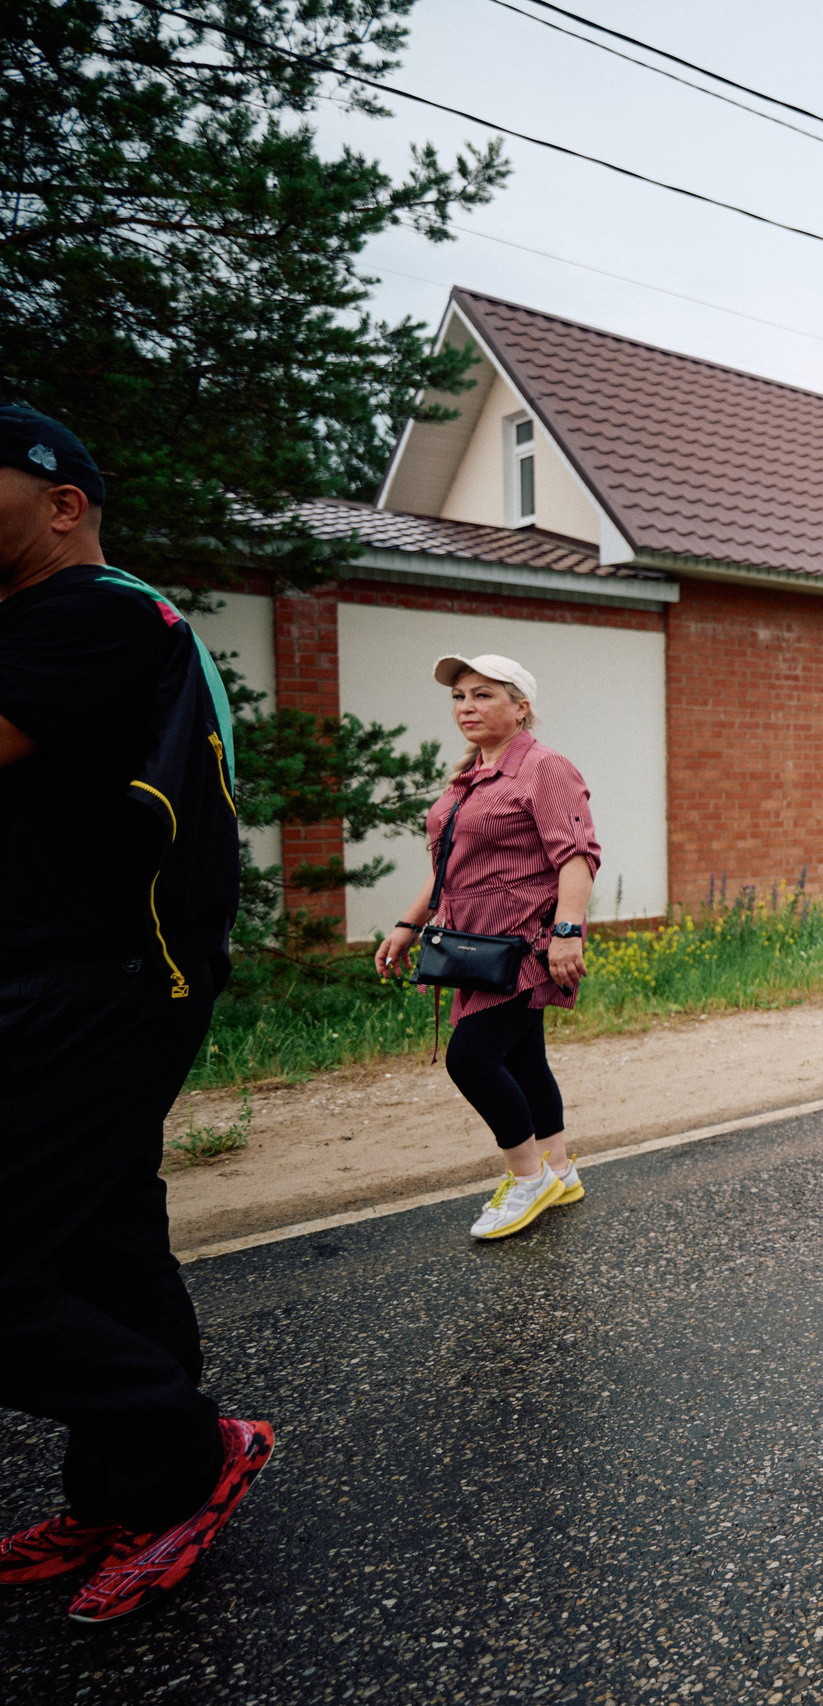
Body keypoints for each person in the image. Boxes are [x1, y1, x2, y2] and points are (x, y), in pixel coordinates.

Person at [0, 404, 274, 1624]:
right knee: (100, 1240)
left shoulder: (91, 612)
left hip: (98, 980)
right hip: (68, 978)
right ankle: (136, 1493)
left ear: (63, 502)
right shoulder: (48, 619)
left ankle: (190, 1449)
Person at [375, 656, 600, 1243]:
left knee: (471, 1059)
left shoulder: (545, 768)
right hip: (474, 944)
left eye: (482, 694)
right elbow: (447, 866)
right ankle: (558, 1170)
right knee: (524, 1059)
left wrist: (567, 933)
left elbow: (576, 856)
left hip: (523, 942)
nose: (466, 707)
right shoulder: (470, 776)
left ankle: (527, 1179)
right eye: (458, 697)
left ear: (521, 707)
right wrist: (408, 924)